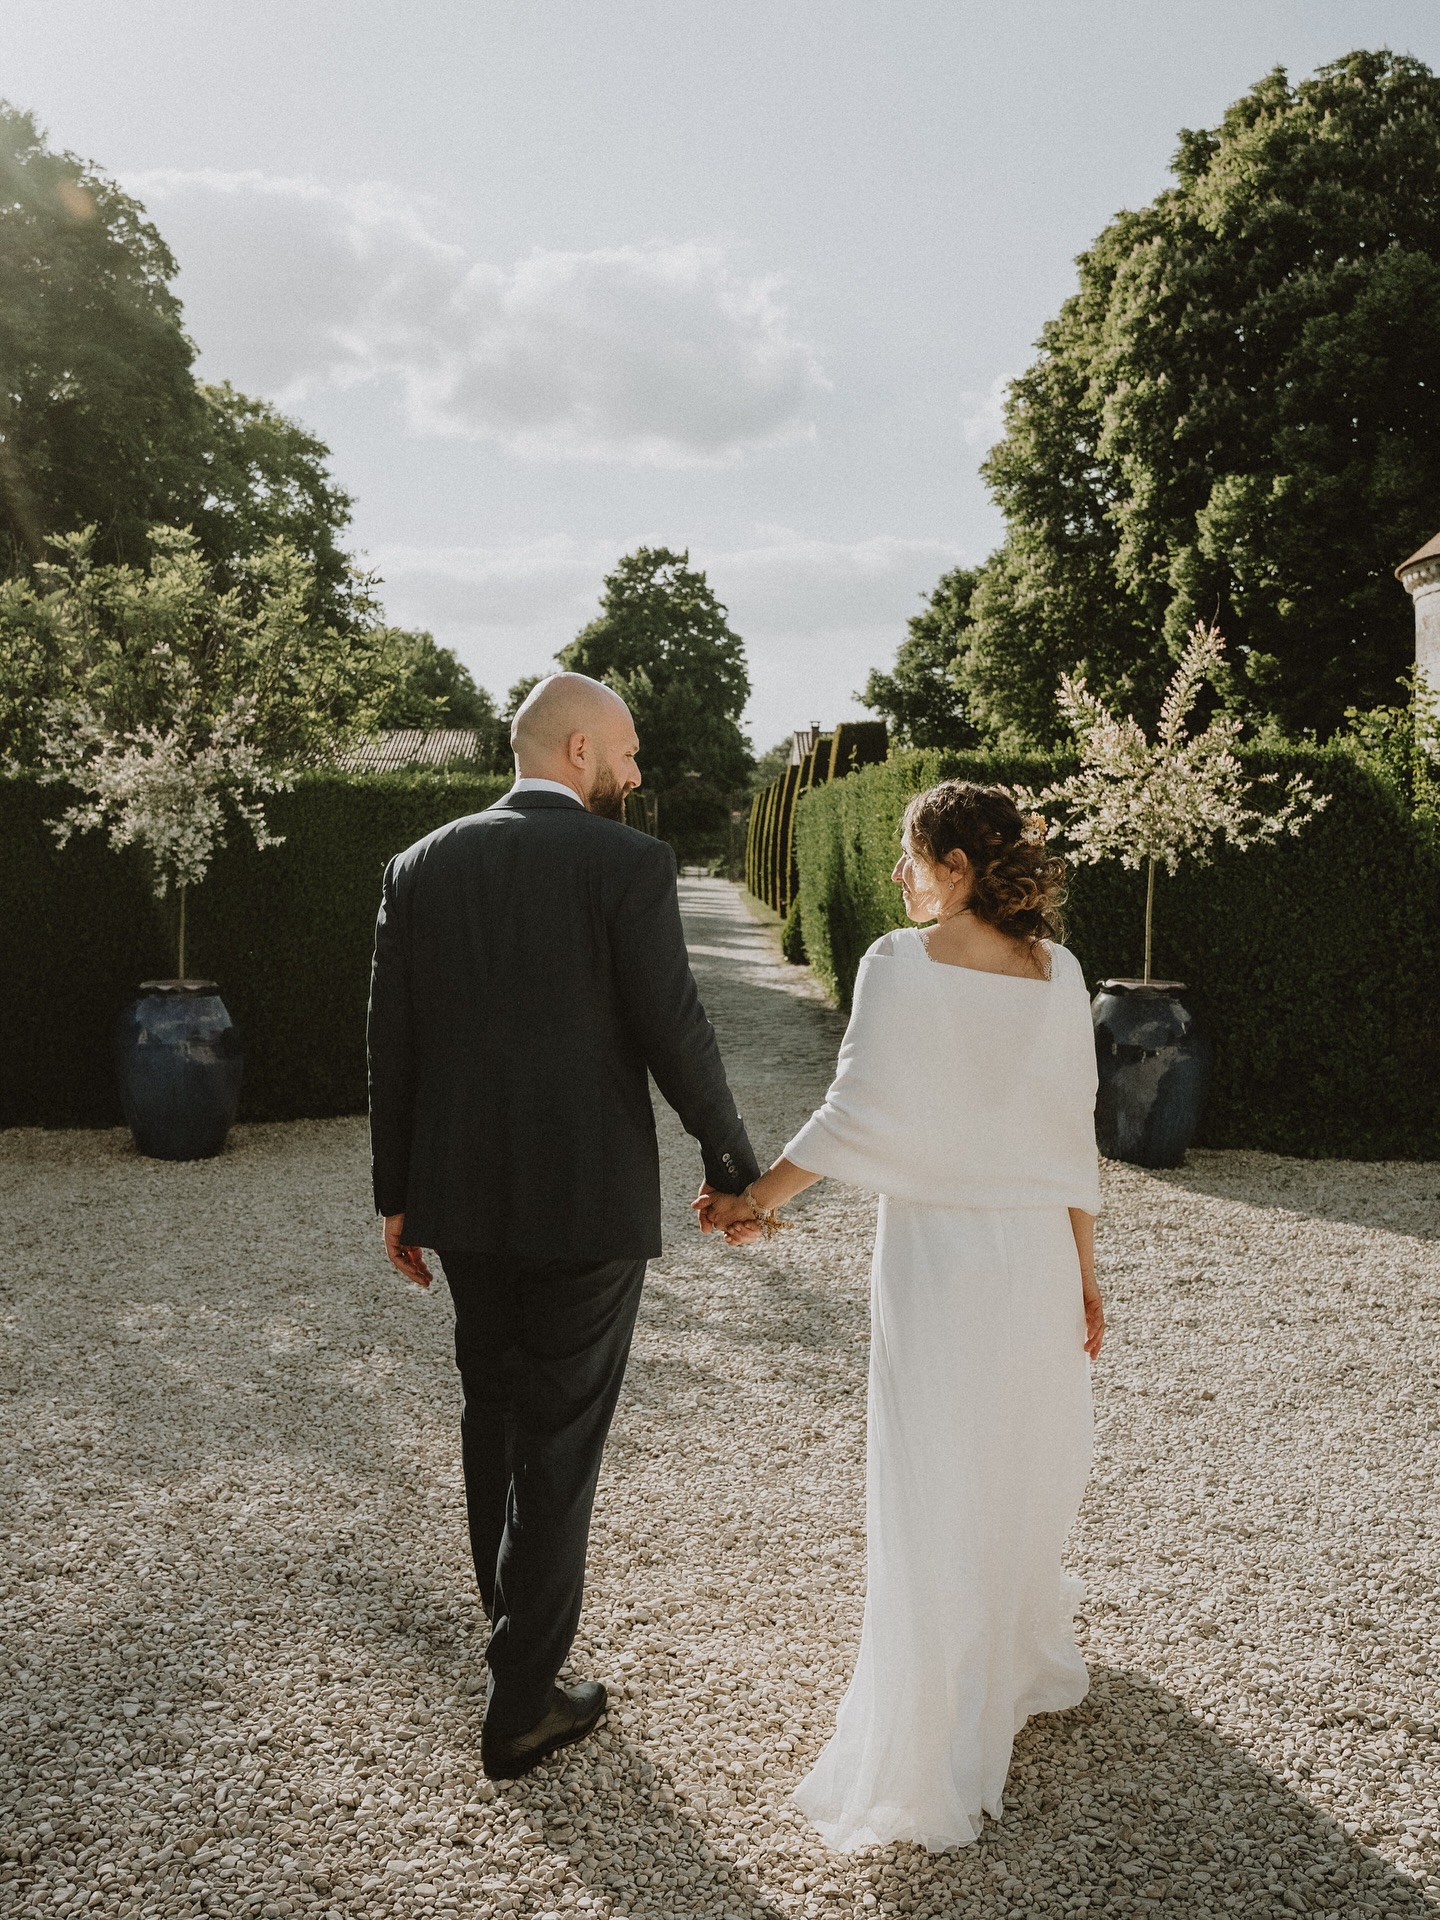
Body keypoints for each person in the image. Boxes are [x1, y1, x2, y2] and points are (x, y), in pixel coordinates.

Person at [368, 672, 760, 1781]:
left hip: (463, 1203)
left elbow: (389, 1039)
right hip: (587, 1205)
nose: (635, 772)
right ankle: (523, 1702)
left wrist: (397, 1194)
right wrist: (735, 1166)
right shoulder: (626, 863)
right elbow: (673, 1026)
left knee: (493, 1413)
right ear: (579, 750)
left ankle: (513, 1644)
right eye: (626, 752)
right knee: (558, 1444)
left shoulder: (419, 864)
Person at [699, 781, 1104, 1851]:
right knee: (1013, 1461)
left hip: (940, 1258)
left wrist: (754, 1202)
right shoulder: (1059, 971)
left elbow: (855, 1114)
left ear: (957, 868)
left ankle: (931, 1728)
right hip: (1034, 1254)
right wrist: (1084, 1270)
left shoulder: (898, 962)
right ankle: (999, 1670)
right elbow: (1072, 1132)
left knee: (933, 1474)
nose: (897, 875)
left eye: (911, 856)